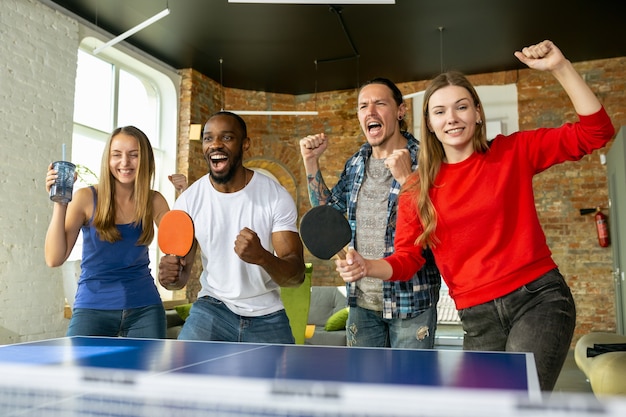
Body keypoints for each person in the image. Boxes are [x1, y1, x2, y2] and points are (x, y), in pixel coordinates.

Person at [335, 40, 615, 391]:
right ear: (430, 124)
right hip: (477, 317)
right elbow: (407, 260)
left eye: (461, 107)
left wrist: (560, 67)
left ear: (478, 113)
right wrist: (366, 266)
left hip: (537, 299)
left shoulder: (513, 152)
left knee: (518, 399)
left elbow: (597, 132)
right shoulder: (418, 186)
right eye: (439, 112)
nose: (451, 118)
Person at [299, 77, 441, 349]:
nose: (371, 112)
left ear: (400, 111)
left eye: (380, 103)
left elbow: (439, 220)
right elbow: (327, 214)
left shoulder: (426, 159)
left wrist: (408, 179)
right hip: (361, 304)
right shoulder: (355, 162)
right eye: (363, 106)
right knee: (362, 388)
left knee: (409, 388)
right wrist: (311, 162)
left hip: (411, 302)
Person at [159, 111, 306, 344]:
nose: (215, 144)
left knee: (282, 381)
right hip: (212, 308)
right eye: (208, 138)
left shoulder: (275, 196)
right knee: (182, 372)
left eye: (226, 137)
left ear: (244, 144)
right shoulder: (188, 201)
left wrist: (262, 257)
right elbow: (180, 278)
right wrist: (170, 277)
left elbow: (296, 276)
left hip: (266, 313)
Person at [45, 126, 170, 338]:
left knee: (149, 372)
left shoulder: (154, 201)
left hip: (145, 308)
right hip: (92, 308)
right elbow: (54, 258)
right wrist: (60, 203)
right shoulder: (85, 198)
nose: (125, 163)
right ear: (107, 159)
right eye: (117, 155)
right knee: (79, 372)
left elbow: (180, 243)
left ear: (146, 159)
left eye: (134, 155)